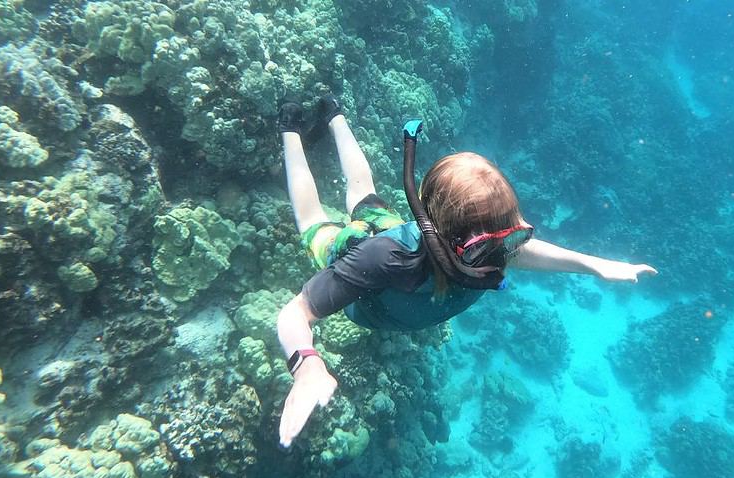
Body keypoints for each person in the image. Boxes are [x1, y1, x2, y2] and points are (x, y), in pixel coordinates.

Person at [275, 96, 657, 448]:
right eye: (487, 247)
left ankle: (334, 116)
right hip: (363, 260)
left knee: (363, 193)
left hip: (399, 241)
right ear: (444, 237)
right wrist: (306, 365)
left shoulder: (491, 247)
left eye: (509, 240)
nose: (500, 258)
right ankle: (290, 129)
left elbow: (526, 252)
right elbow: (295, 313)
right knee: (313, 220)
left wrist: (596, 266)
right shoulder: (386, 258)